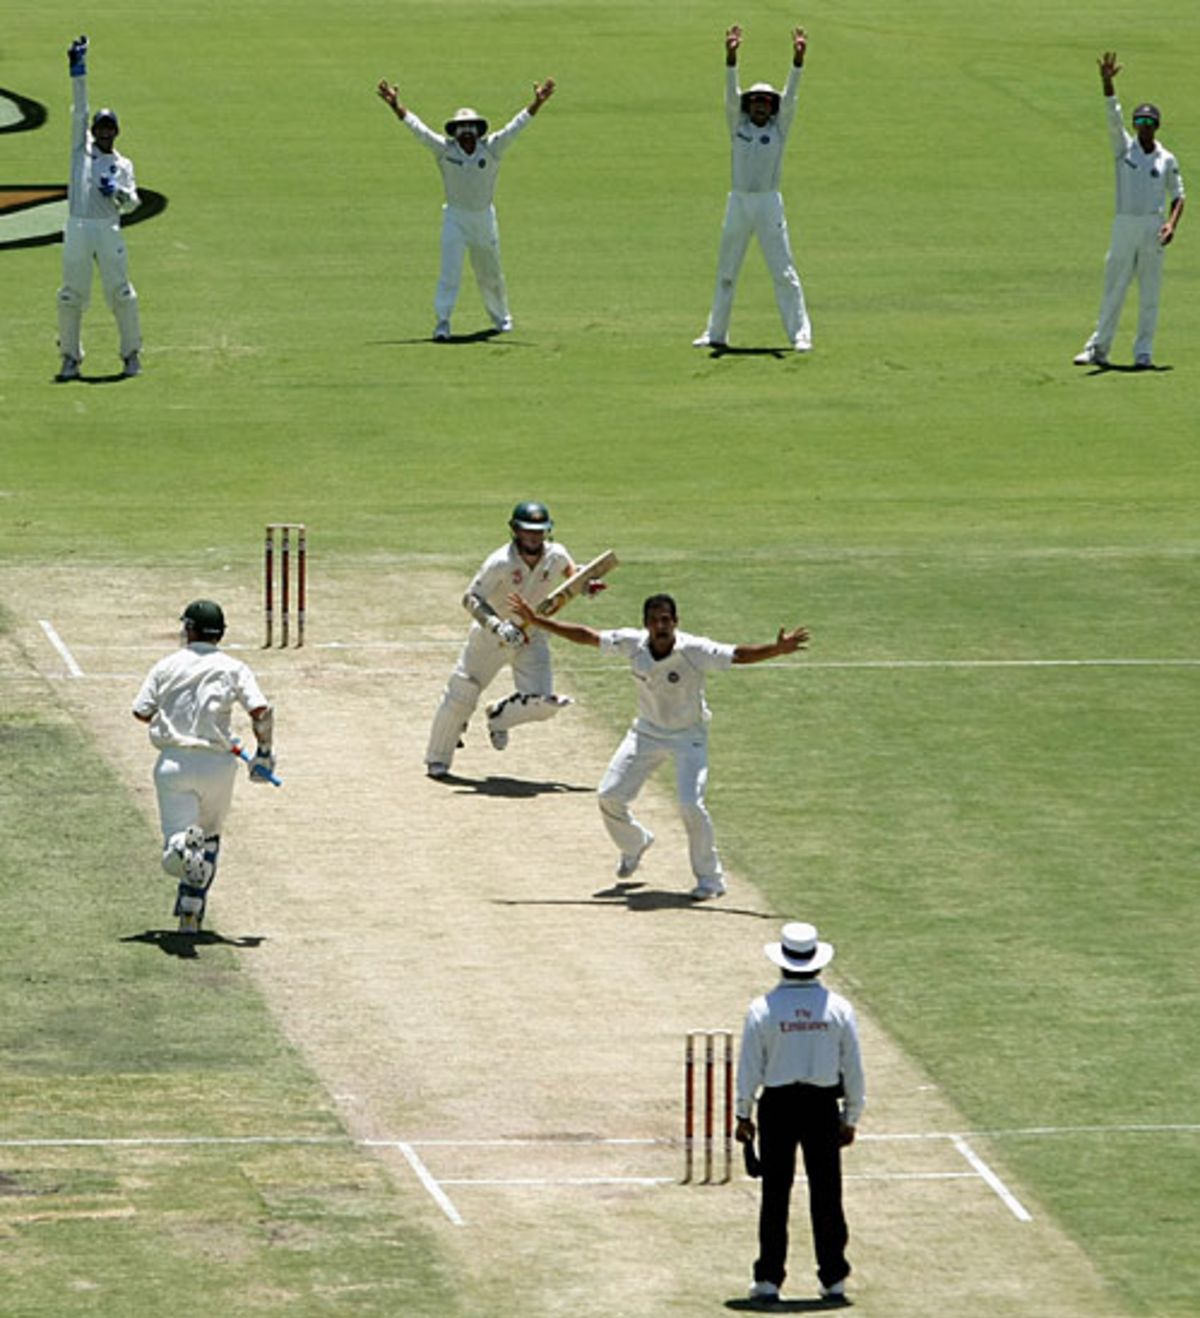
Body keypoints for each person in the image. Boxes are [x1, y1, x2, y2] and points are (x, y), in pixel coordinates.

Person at [509, 591, 808, 899]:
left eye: (666, 619)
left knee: (691, 804)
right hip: (646, 733)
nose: (661, 625)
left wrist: (777, 649)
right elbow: (587, 636)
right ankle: (635, 843)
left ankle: (710, 879)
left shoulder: (693, 649)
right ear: (646, 624)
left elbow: (738, 655)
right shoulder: (632, 643)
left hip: (688, 737)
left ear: (676, 622)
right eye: (654, 620)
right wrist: (537, 620)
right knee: (609, 796)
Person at [735, 922, 865, 1305]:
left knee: (775, 1194)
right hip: (822, 1106)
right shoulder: (838, 1009)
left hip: (777, 1106)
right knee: (827, 1193)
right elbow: (853, 1068)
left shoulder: (763, 1009)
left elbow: (749, 1067)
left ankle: (769, 1280)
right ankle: (834, 1278)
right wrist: (851, 1116)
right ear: (816, 964)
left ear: (782, 963)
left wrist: (744, 1114)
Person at [424, 501, 603, 778]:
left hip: (532, 637)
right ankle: (438, 759)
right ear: (515, 530)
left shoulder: (556, 555)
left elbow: (573, 576)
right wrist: (497, 626)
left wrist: (587, 586)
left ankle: (499, 717)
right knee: (462, 694)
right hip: (491, 639)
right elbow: (471, 598)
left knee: (543, 704)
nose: (534, 537)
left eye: (540, 531)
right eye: (527, 531)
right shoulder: (501, 562)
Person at [132, 601, 277, 932]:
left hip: (174, 763)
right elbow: (261, 712)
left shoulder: (167, 665)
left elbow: (141, 712)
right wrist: (264, 753)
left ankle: (184, 848)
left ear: (189, 629)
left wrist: (171, 714)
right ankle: (190, 913)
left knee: (175, 846)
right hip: (219, 765)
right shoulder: (235, 667)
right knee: (209, 838)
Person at [376, 76, 556, 341]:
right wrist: (395, 107)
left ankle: (501, 318)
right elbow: (420, 131)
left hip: (483, 219)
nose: (466, 133)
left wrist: (537, 103)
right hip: (455, 219)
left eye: (470, 128)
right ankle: (443, 323)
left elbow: (515, 128)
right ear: (455, 132)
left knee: (490, 272)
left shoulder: (491, 149)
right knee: (450, 273)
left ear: (478, 130)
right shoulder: (444, 151)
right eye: (461, 129)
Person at [693, 25, 811, 353]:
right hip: (739, 202)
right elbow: (730, 98)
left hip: (769, 203)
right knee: (727, 270)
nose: (760, 106)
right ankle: (716, 333)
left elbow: (793, 99)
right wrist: (731, 58)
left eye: (766, 102)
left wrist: (797, 62)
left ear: (772, 107)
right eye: (755, 101)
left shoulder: (780, 128)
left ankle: (800, 334)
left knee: (783, 270)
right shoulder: (738, 128)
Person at [1073, 52, 1185, 370]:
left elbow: (1179, 196)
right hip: (1124, 225)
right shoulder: (1123, 149)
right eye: (1139, 122)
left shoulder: (1167, 159)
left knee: (1149, 294)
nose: (1143, 127)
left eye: (1149, 123)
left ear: (1157, 126)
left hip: (1152, 227)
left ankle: (1144, 353)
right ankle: (1098, 349)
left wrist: (1171, 226)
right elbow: (1112, 117)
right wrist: (1107, 83)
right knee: (1114, 288)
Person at [56, 35, 142, 382]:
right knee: (70, 295)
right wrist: (78, 71)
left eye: (110, 130)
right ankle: (70, 359)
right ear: (93, 132)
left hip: (108, 228)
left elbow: (133, 202)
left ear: (116, 132)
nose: (105, 134)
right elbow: (79, 109)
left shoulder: (122, 164)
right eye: (100, 129)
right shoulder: (81, 149)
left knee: (121, 292)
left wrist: (118, 192)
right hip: (78, 227)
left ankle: (131, 354)